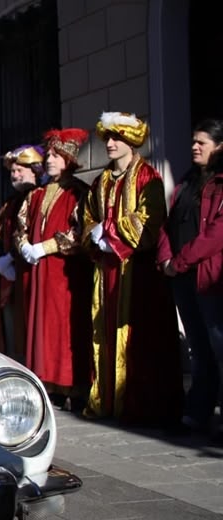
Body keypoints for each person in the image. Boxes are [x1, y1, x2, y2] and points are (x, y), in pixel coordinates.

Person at [81, 112, 182, 424]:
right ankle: (108, 399)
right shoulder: (101, 180)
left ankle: (137, 403)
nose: (110, 144)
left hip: (136, 273)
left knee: (137, 337)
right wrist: (93, 235)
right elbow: (86, 217)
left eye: (117, 138)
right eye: (108, 138)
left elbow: (151, 221)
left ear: (131, 141)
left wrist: (109, 231)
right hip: (106, 269)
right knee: (106, 334)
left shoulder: (147, 178)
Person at [14, 129, 93, 411]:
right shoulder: (35, 195)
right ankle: (48, 384)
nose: (49, 159)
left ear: (68, 159)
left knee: (66, 329)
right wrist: (23, 244)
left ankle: (73, 385)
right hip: (39, 273)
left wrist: (45, 247)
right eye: (49, 154)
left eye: (56, 155)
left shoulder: (79, 192)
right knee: (43, 327)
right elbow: (21, 224)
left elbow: (79, 231)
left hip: (65, 272)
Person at [157, 118, 223, 437]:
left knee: (218, 345)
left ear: (219, 146)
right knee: (198, 347)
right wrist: (166, 258)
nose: (195, 147)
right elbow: (168, 225)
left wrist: (180, 261)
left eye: (202, 142)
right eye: (194, 141)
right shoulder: (186, 182)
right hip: (183, 278)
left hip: (210, 278)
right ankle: (197, 413)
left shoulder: (221, 183)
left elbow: (215, 235)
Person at [0, 145, 45, 359]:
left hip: (35, 274)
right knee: (12, 333)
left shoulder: (41, 198)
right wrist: (2, 260)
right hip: (10, 280)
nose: (14, 175)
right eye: (12, 172)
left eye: (19, 171)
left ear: (34, 170)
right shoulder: (10, 204)